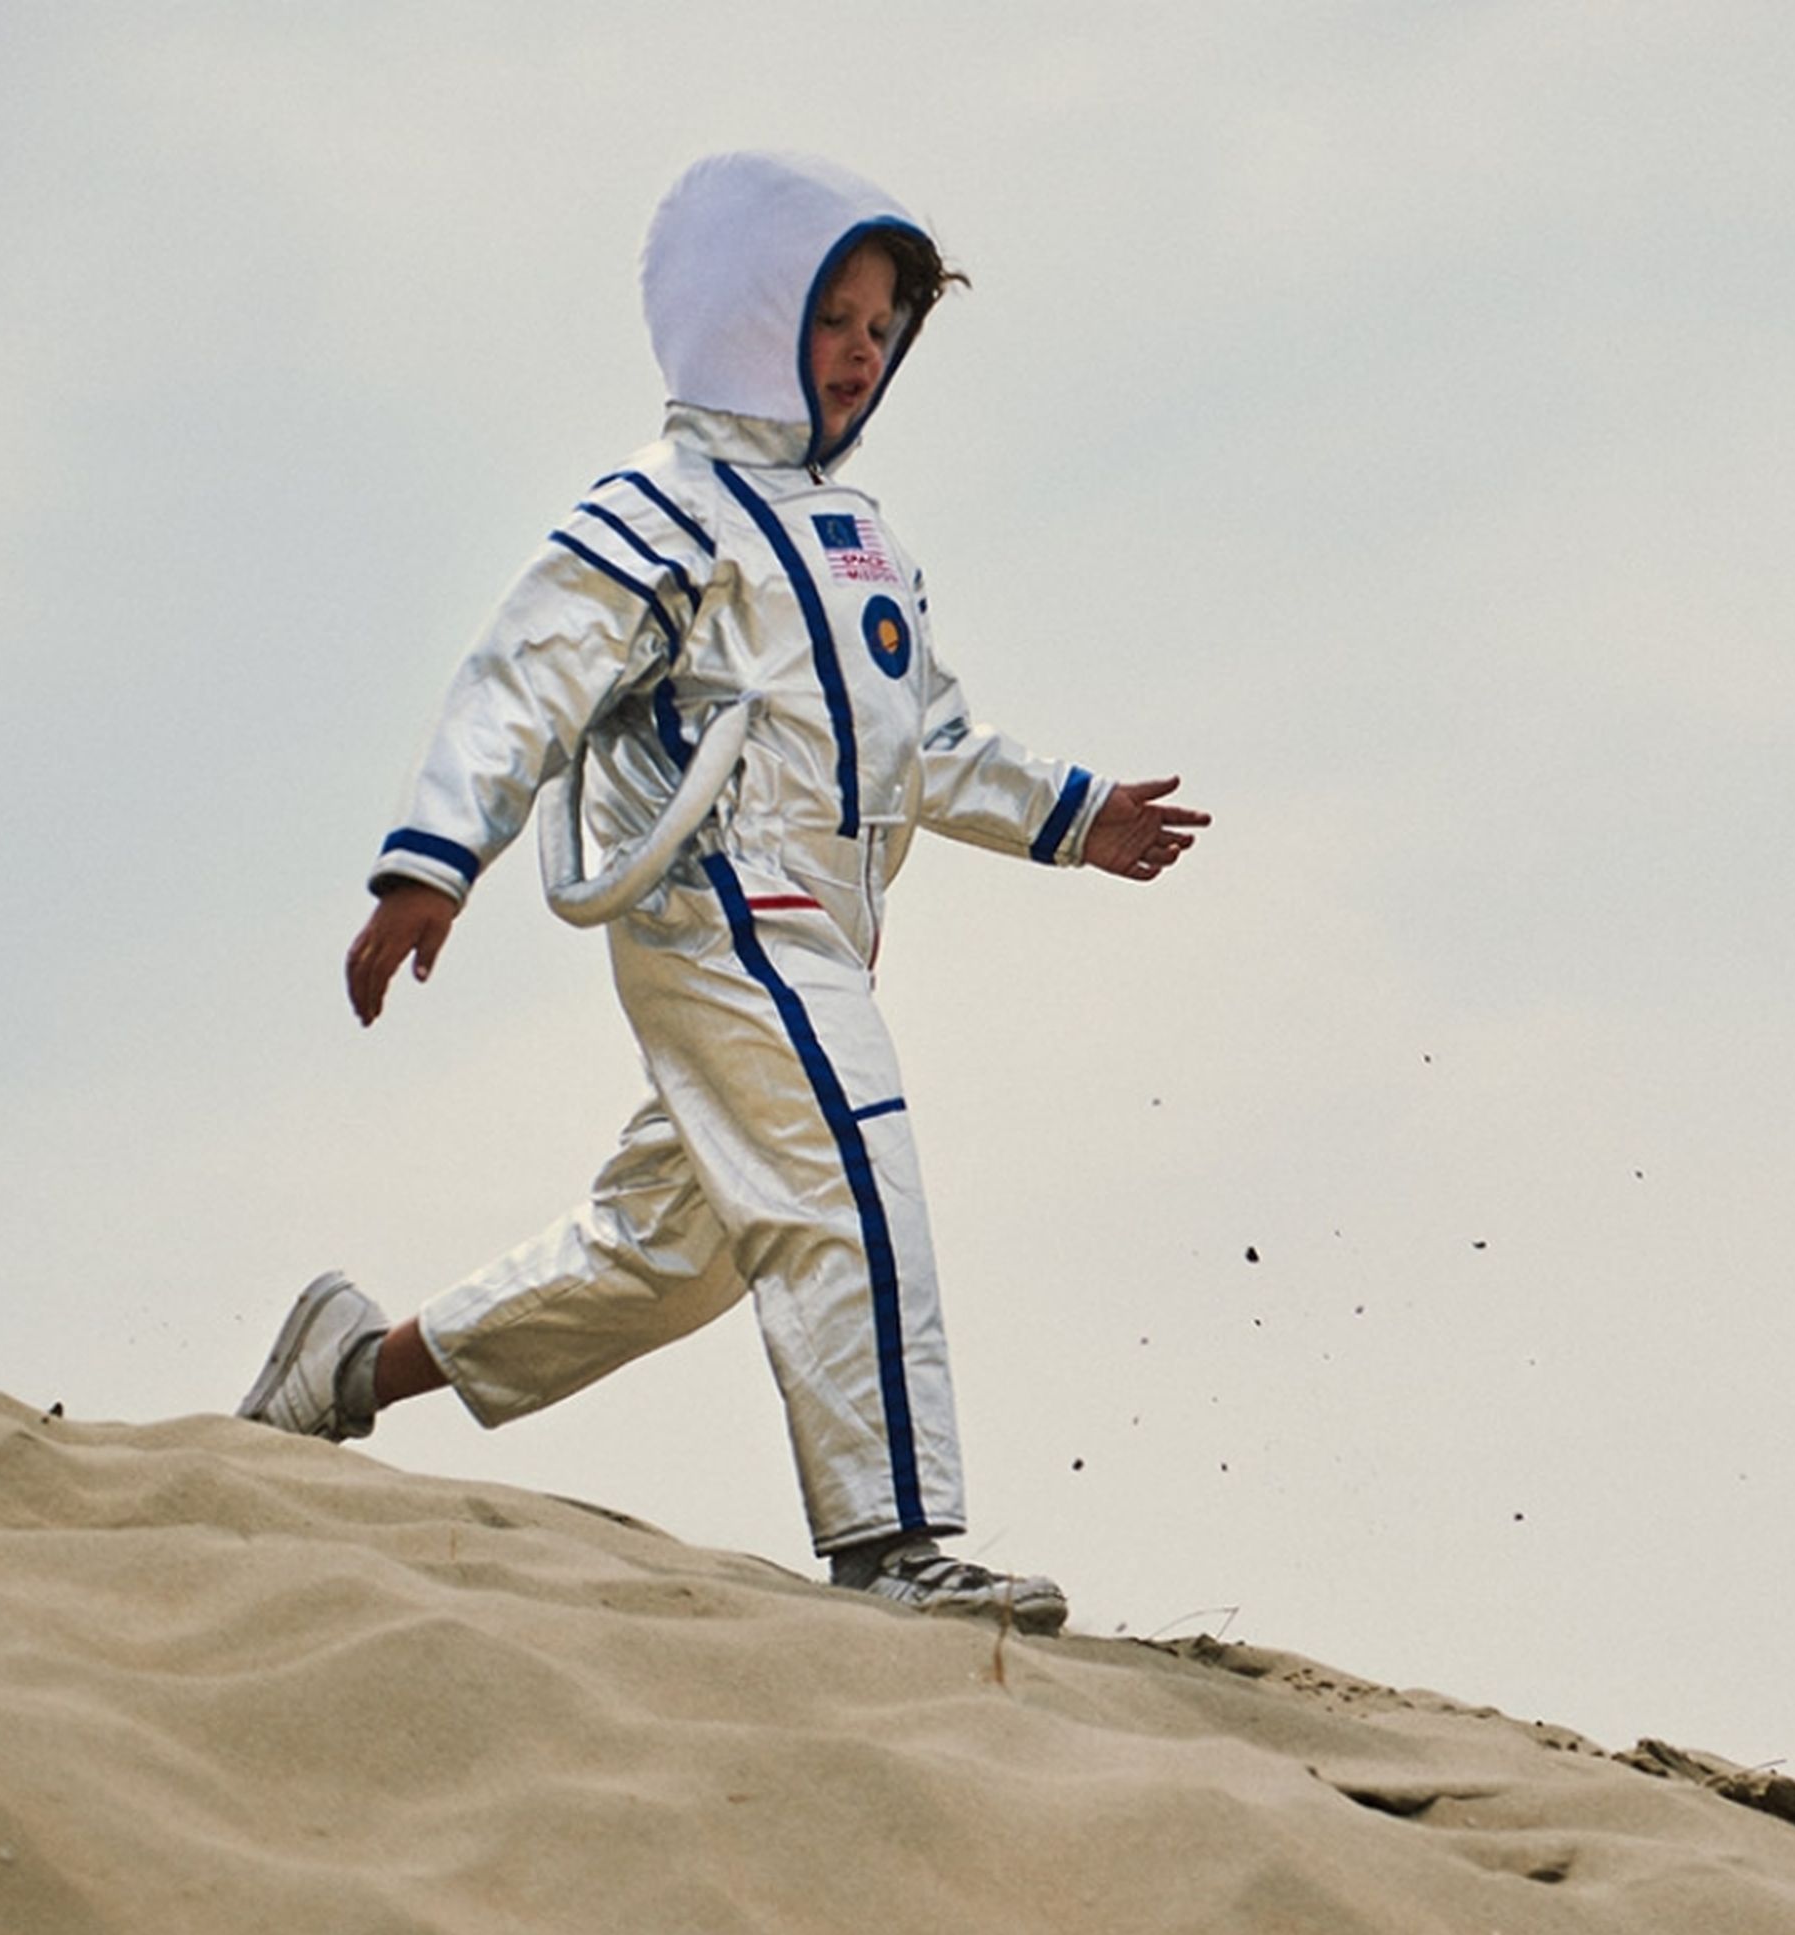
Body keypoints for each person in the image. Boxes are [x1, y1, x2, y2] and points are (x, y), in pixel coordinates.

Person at [236, 151, 1208, 1635]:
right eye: (832, 315)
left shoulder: (861, 537)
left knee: (670, 1254)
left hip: (824, 926)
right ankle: (894, 1543)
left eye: (884, 329)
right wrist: (434, 863)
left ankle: (353, 1367)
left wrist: (1076, 817)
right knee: (850, 1174)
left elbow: (927, 741)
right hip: (722, 911)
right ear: (745, 314)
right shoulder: (660, 509)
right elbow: (527, 677)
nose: (861, 351)